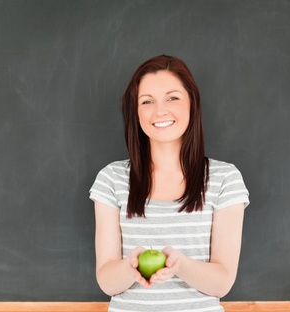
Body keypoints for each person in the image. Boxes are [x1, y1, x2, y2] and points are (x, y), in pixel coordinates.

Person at [89, 55, 249, 312]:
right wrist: (130, 266)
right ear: (136, 112)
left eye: (172, 97)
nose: (160, 110)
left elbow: (222, 283)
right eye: (147, 101)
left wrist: (180, 265)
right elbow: (107, 281)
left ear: (192, 104)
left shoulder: (224, 179)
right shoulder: (112, 179)